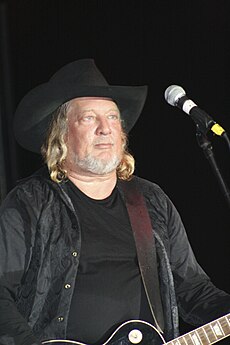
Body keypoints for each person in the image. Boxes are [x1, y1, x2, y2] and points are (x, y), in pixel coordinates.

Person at [0, 58, 229, 345]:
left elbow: (192, 290)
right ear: (62, 135)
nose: (105, 128)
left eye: (112, 117)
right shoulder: (29, 203)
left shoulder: (152, 200)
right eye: (88, 118)